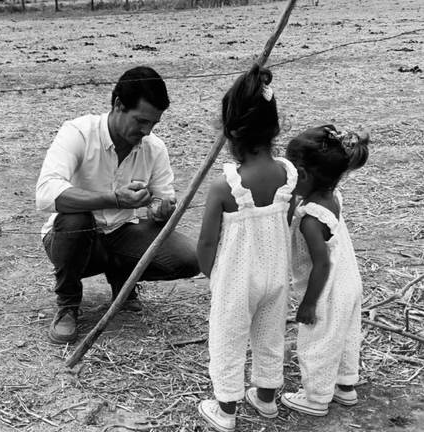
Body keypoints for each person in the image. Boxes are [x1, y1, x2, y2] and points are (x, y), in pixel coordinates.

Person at [36, 66, 199, 345]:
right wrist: (114, 199)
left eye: (153, 123)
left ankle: (123, 280)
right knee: (75, 219)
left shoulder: (154, 148)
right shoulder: (78, 132)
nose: (146, 131)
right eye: (141, 121)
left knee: (189, 259)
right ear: (118, 105)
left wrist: (162, 211)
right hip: (71, 239)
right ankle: (68, 304)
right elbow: (46, 194)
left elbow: (162, 199)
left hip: (123, 232)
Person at [196, 64, 297, 432]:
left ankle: (225, 410)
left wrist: (211, 271)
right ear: (275, 128)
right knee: (270, 334)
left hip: (236, 279)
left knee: (228, 338)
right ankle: (266, 398)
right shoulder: (288, 175)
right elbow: (285, 221)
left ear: (231, 132)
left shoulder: (226, 186)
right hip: (276, 274)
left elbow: (207, 241)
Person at [281, 125, 369, 416]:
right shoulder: (332, 196)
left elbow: (322, 263)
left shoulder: (311, 220)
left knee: (318, 341)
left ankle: (316, 398)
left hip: (327, 291)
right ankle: (345, 386)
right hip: (348, 283)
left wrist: (308, 303)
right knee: (343, 336)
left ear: (302, 175)